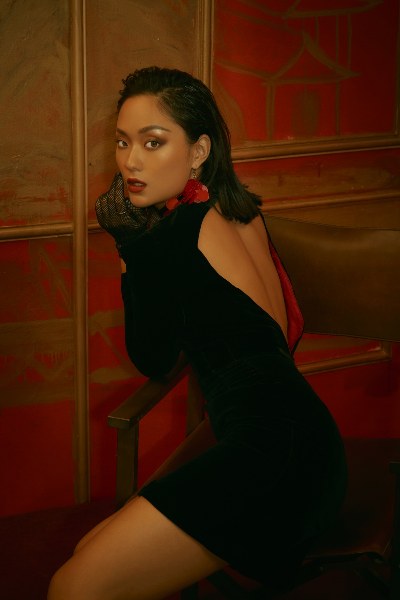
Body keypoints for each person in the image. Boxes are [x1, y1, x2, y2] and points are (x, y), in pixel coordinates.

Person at [48, 66, 347, 600]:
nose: (130, 162)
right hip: (308, 442)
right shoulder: (243, 211)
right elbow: (265, 336)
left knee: (73, 587)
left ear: (198, 150)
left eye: (153, 142)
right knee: (86, 555)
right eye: (122, 142)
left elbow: (153, 360)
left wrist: (130, 248)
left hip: (270, 458)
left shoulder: (169, 240)